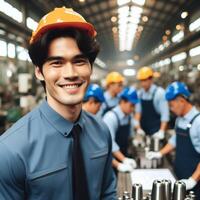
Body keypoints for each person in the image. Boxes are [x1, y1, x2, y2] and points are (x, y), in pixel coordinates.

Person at [0, 7, 117, 200]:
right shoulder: (11, 151)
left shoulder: (102, 133)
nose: (70, 73)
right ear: (39, 71)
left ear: (90, 67)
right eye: (57, 63)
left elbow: (107, 193)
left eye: (79, 61)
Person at [146, 81, 200, 199]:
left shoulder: (198, 122)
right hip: (179, 176)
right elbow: (175, 140)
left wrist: (193, 180)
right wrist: (159, 153)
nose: (170, 109)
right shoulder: (179, 119)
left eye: (171, 105)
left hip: (195, 183)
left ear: (181, 100)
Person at [103, 87, 138, 173]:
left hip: (123, 155)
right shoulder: (110, 117)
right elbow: (110, 143)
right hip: (110, 160)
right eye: (131, 105)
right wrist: (124, 159)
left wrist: (135, 140)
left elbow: (131, 135)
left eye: (134, 106)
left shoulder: (129, 116)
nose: (133, 109)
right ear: (122, 102)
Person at [135, 66, 169, 139]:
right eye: (141, 80)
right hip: (143, 130)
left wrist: (161, 131)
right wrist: (138, 128)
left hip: (156, 130)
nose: (142, 83)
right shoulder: (139, 94)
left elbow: (165, 114)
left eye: (145, 80)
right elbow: (138, 112)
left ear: (151, 79)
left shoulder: (160, 93)